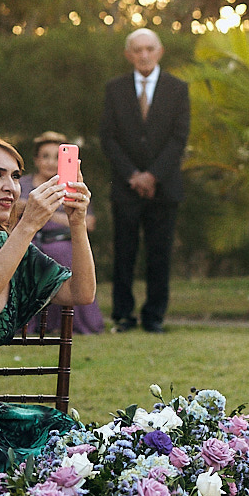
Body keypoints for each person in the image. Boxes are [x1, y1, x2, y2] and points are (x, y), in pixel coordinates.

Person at [0, 136, 95, 477]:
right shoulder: (17, 242)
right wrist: (28, 225)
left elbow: (81, 292)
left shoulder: (9, 247)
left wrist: (77, 223)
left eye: (16, 176)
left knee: (71, 443)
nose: (10, 187)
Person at [99, 27, 189, 334]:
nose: (143, 55)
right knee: (124, 253)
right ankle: (123, 315)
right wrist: (134, 176)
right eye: (137, 50)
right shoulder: (115, 89)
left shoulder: (178, 89)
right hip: (125, 187)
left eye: (149, 48)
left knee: (159, 254)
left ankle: (154, 317)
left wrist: (153, 176)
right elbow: (108, 138)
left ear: (160, 51)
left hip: (164, 188)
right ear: (128, 55)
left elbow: (179, 139)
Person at [16, 132, 105, 334]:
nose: (50, 162)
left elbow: (89, 222)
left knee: (64, 256)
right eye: (45, 156)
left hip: (60, 241)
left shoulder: (73, 186)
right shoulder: (22, 185)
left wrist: (48, 213)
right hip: (29, 241)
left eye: (57, 157)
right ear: (36, 160)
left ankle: (68, 323)